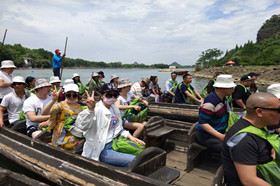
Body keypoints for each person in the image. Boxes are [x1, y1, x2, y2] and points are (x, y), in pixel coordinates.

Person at [70, 83, 145, 167]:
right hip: (101, 149)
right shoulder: (97, 110)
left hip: (115, 143)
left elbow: (118, 129)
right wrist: (90, 110)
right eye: (109, 95)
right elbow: (83, 125)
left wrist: (130, 136)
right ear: (102, 96)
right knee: (136, 161)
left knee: (141, 153)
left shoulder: (114, 109)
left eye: (115, 95)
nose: (112, 98)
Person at [223, 92, 280, 186]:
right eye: (278, 110)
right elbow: (249, 180)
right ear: (259, 112)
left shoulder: (258, 126)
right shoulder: (244, 139)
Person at [195, 75, 235, 152]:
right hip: (207, 136)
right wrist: (220, 136)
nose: (233, 89)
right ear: (223, 88)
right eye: (231, 87)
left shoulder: (223, 99)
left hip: (220, 131)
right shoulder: (210, 103)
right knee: (231, 149)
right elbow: (203, 123)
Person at [43, 84, 83, 150]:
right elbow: (44, 113)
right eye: (69, 95)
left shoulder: (79, 107)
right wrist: (53, 100)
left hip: (73, 131)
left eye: (74, 95)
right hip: (61, 131)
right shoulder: (60, 106)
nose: (72, 97)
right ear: (65, 95)